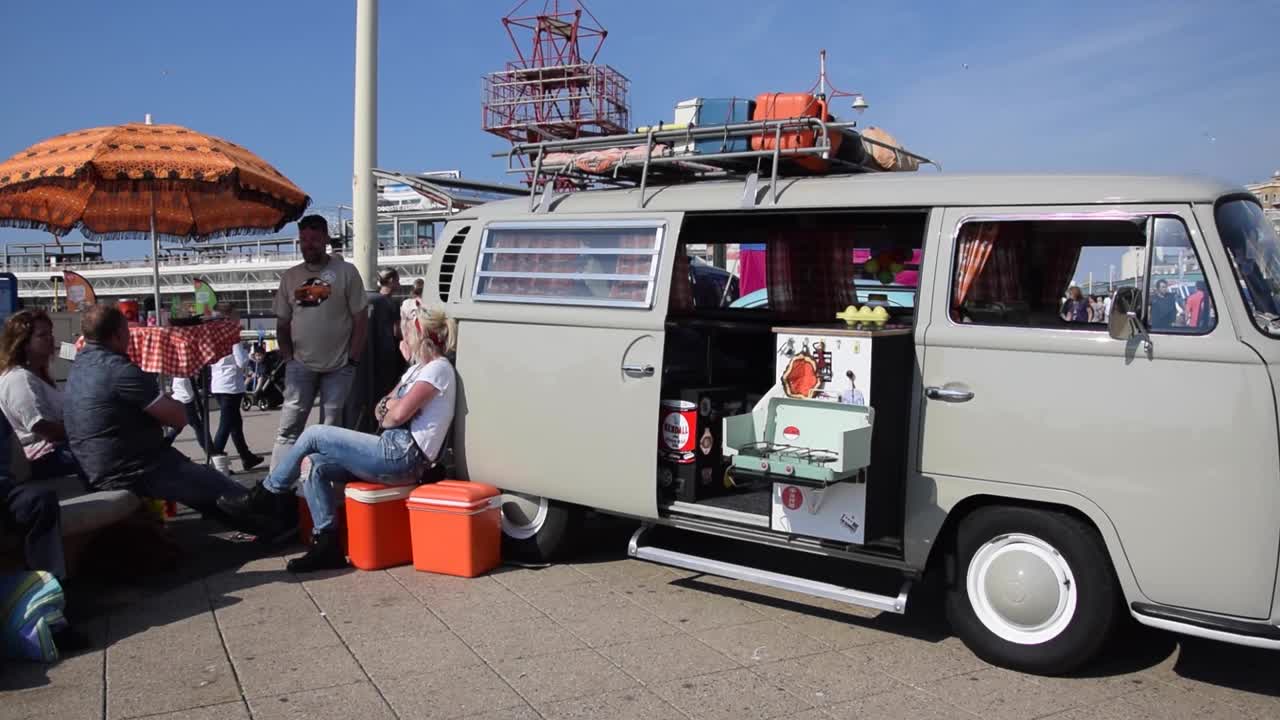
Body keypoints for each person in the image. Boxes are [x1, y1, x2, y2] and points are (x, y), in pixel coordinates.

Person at [219, 303, 457, 572]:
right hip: (394, 448)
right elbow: (383, 408)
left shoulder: (438, 368)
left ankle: (268, 494)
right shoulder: (416, 370)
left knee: (315, 434)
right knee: (313, 464)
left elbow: (396, 414)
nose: (402, 337)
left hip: (406, 454)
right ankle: (326, 543)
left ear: (418, 334)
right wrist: (389, 410)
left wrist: (389, 410)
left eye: (406, 331)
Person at [63, 305, 248, 523]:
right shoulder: (120, 370)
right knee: (222, 490)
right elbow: (179, 418)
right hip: (132, 467)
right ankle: (271, 523)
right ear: (118, 334)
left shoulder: (80, 365)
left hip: (93, 464)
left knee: (201, 484)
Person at [270, 215, 368, 469]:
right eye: (303, 240)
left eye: (314, 239)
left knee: (330, 430)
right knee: (289, 428)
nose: (308, 245)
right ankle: (277, 487)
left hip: (339, 366)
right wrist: (289, 357)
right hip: (300, 364)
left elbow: (360, 318)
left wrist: (353, 359)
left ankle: (321, 482)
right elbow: (281, 323)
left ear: (325, 238)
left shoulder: (346, 272)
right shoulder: (290, 277)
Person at [0, 310, 87, 485]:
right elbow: (39, 426)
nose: (50, 338)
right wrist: (82, 431)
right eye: (42, 335)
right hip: (41, 458)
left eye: (51, 333)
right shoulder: (19, 379)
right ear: (23, 343)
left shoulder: (38, 374)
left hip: (56, 449)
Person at [208, 304, 264, 473]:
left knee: (234, 423)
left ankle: (246, 456)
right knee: (226, 424)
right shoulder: (232, 335)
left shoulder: (213, 334)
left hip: (218, 383)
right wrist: (249, 356)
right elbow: (241, 361)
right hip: (231, 385)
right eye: (237, 317)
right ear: (229, 317)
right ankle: (215, 460)